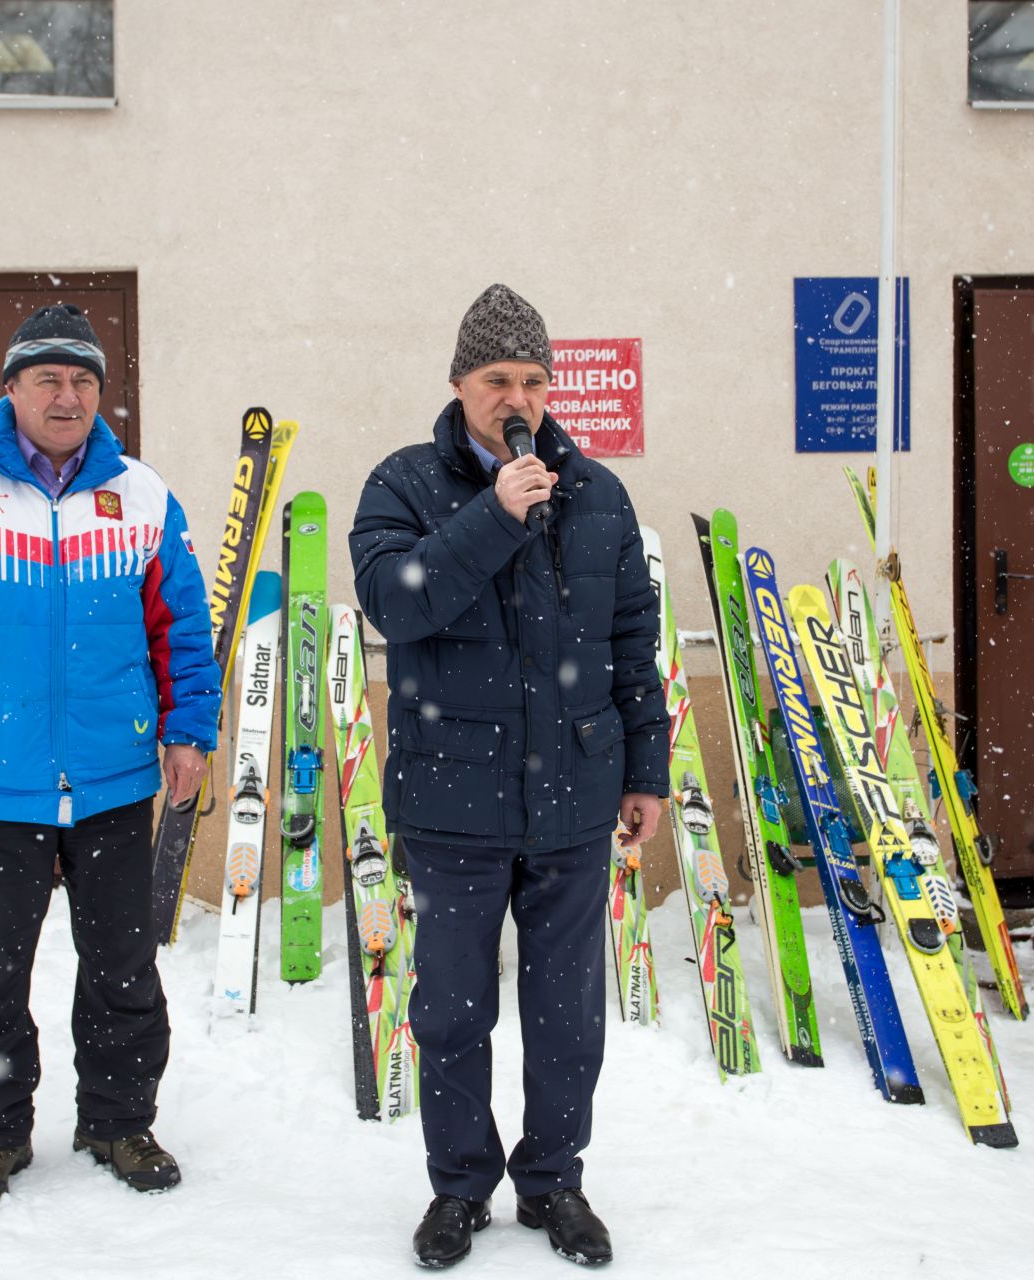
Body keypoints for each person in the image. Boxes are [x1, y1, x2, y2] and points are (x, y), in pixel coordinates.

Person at [0, 304, 219, 1215]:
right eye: (49, 379)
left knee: (123, 965)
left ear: (101, 392)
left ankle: (117, 1119)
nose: (68, 396)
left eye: (84, 380)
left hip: (112, 778)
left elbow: (181, 630)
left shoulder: (140, 495)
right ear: (12, 388)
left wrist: (188, 732)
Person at [350, 284, 667, 1268]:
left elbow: (630, 646)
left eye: (533, 378)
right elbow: (394, 603)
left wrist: (644, 768)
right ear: (460, 385)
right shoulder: (403, 485)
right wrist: (492, 513)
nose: (517, 396)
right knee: (451, 1009)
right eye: (498, 380)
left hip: (573, 801)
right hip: (454, 804)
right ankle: (457, 1189)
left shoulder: (600, 495)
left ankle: (554, 1181)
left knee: (567, 1013)